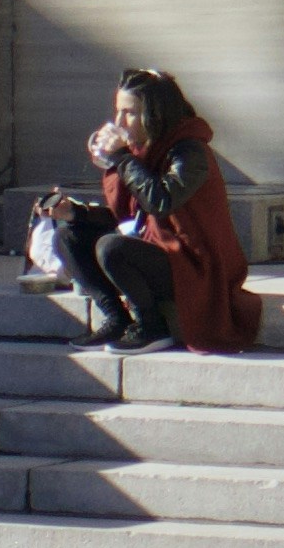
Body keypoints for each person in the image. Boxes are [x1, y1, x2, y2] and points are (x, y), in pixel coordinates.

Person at [79, 68, 259, 357]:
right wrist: (75, 214)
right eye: (118, 112)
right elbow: (128, 215)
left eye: (130, 113)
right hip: (154, 244)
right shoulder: (141, 150)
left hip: (193, 263)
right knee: (70, 234)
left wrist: (123, 159)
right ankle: (117, 318)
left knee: (111, 248)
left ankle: (152, 328)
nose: (119, 123)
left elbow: (160, 201)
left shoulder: (190, 152)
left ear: (156, 113)